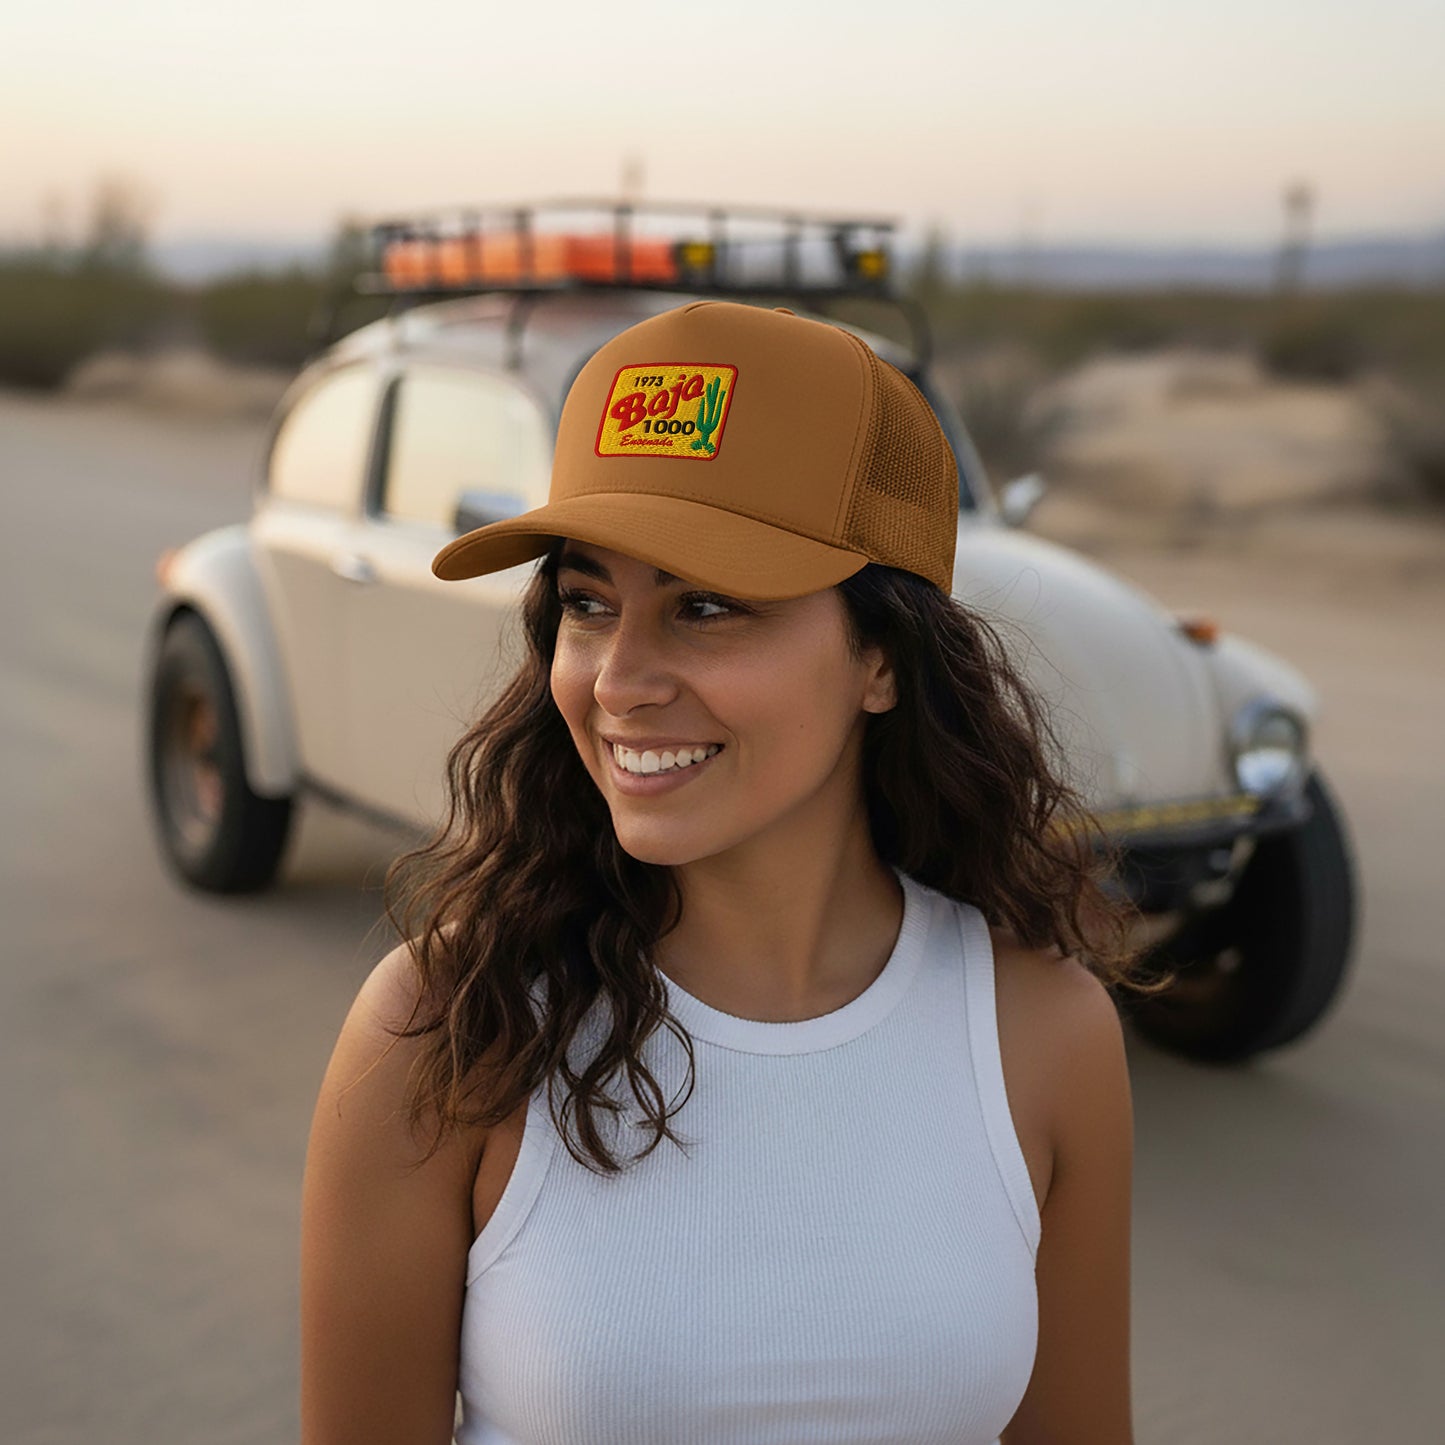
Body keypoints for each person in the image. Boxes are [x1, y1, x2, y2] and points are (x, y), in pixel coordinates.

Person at [300, 299, 1162, 1445]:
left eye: (706, 605)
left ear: (881, 657)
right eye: (588, 602)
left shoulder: (1043, 1032)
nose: (618, 678)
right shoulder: (448, 1026)